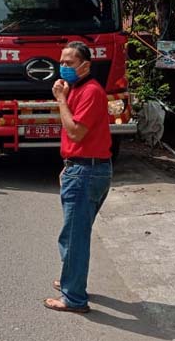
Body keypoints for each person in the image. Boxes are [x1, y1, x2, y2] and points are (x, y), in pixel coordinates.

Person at [44, 41, 112, 314]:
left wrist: (60, 99)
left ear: (86, 65)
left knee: (74, 237)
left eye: (70, 63)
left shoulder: (91, 92)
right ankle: (70, 280)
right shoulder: (79, 89)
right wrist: (68, 164)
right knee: (73, 235)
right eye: (61, 62)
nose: (63, 67)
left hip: (86, 172)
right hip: (81, 167)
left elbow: (75, 132)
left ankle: (74, 298)